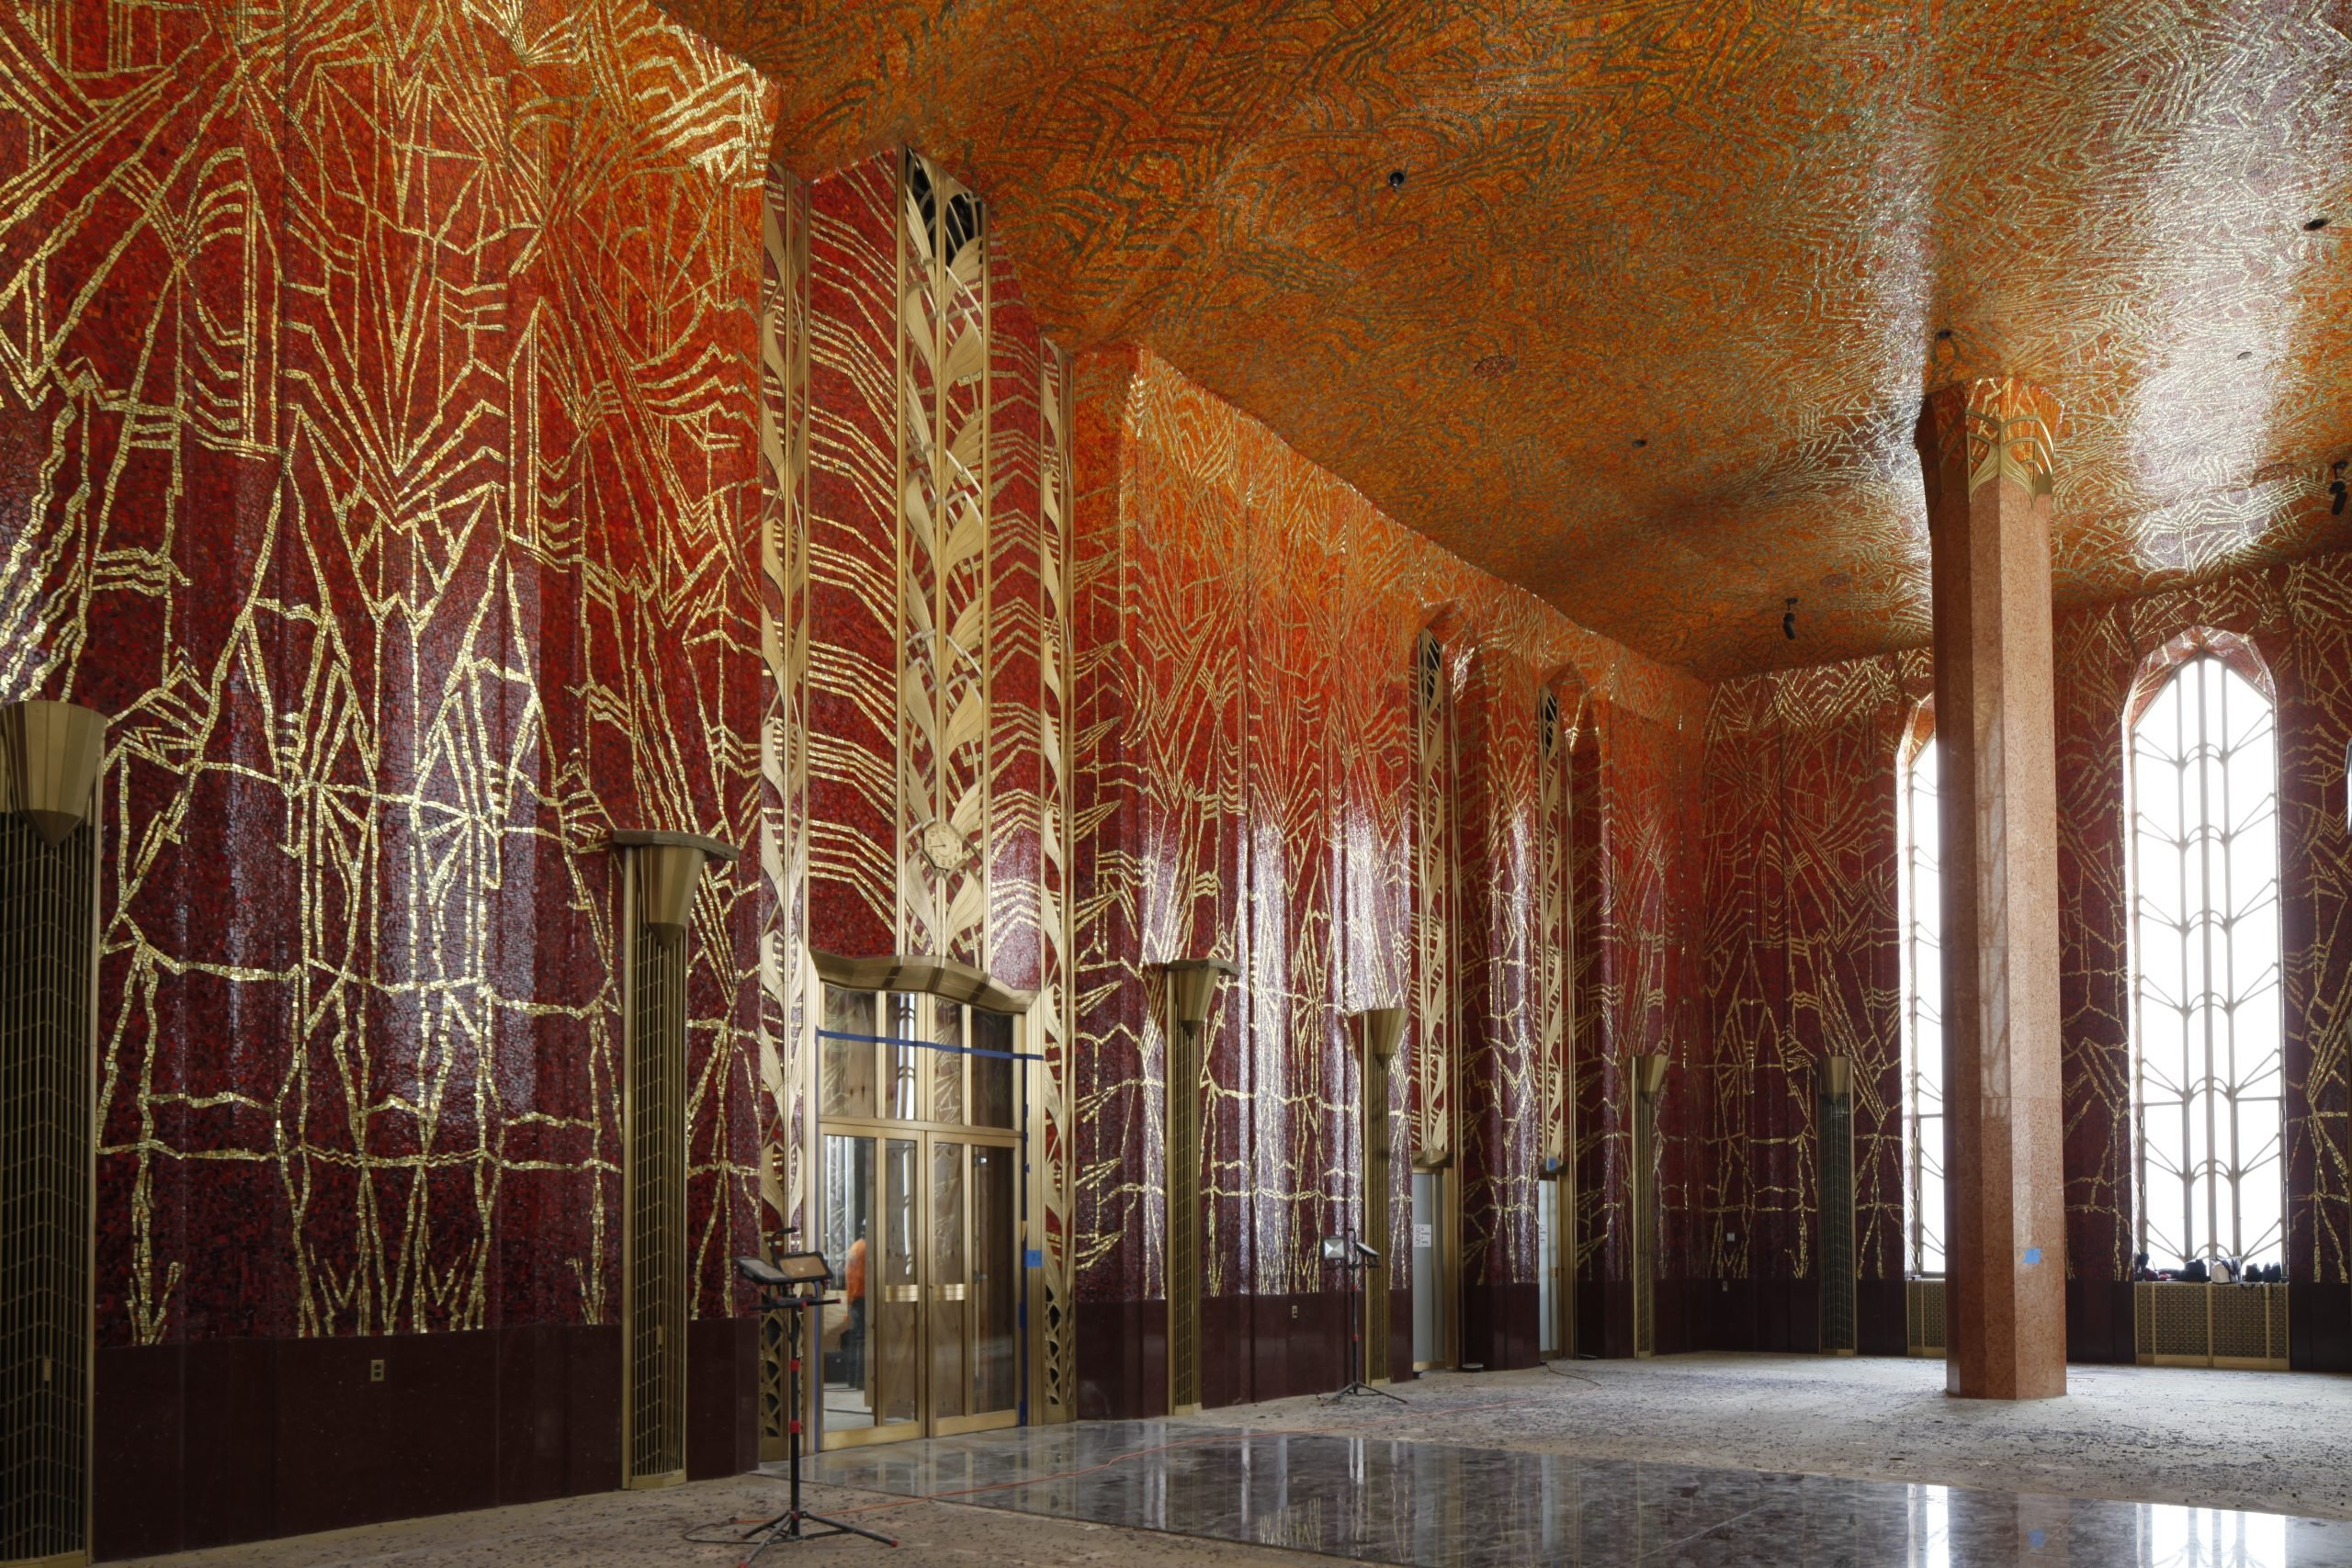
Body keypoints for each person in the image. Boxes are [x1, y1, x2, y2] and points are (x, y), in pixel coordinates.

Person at [844, 1225, 868, 1386]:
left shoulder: (856, 1246)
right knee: (863, 1339)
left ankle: (853, 1379)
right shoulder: (865, 1248)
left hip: (854, 1297)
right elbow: (864, 1275)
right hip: (863, 1297)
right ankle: (861, 1379)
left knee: (856, 1339)